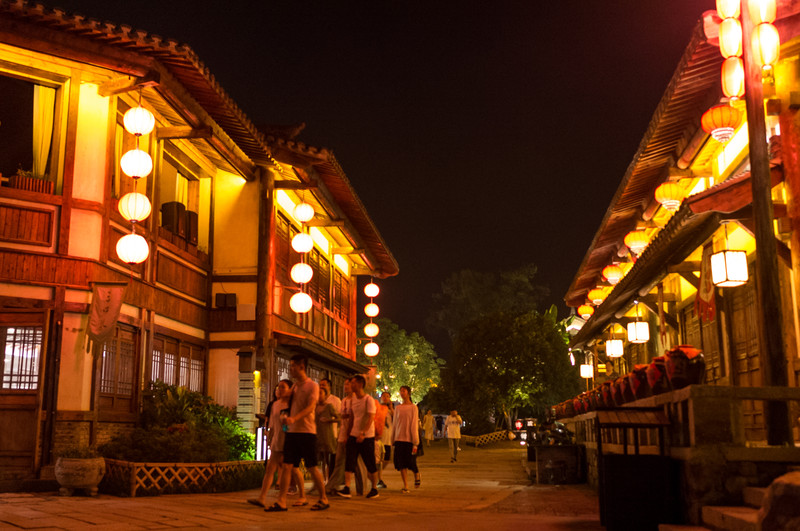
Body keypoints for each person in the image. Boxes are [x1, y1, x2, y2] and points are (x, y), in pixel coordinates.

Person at [267, 354, 330, 512]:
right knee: (287, 465)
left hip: (307, 432)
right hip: (292, 432)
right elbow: (287, 399)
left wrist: (294, 418)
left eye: (293, 366)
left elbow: (311, 407)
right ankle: (281, 501)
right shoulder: (295, 386)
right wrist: (282, 394)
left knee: (311, 466)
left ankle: (323, 498)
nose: (290, 369)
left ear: (302, 367)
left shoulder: (312, 386)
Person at [248, 380, 295, 507]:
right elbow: (272, 424)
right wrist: (270, 438)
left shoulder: (293, 404)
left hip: (289, 440)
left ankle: (290, 497)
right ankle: (262, 497)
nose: (280, 390)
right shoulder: (275, 404)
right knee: (270, 468)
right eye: (279, 387)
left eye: (283, 387)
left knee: (290, 469)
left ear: (290, 389)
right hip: (277, 440)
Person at [336, 374, 380, 499]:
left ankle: (374, 488)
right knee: (349, 461)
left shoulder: (368, 399)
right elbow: (352, 417)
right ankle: (347, 488)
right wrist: (348, 434)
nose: (351, 385)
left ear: (360, 384)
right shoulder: (353, 399)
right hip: (353, 435)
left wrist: (363, 433)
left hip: (367, 437)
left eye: (353, 383)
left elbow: (371, 417)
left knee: (370, 463)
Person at [391, 385, 420, 493]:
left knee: (411, 462)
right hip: (399, 438)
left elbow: (414, 424)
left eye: (404, 391)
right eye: (401, 391)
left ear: (408, 393)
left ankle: (416, 474)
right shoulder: (398, 408)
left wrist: (415, 441)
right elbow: (395, 424)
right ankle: (406, 485)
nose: (402, 393)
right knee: (401, 463)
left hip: (409, 439)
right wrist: (393, 438)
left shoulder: (413, 407)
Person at [325, 377, 350, 495]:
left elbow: (340, 418)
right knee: (332, 462)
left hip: (338, 434)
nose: (345, 387)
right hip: (336, 435)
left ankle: (365, 487)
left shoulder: (336, 400)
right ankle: (331, 484)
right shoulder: (344, 400)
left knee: (340, 461)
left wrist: (330, 420)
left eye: (348, 384)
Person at [315, 386, 339, 484]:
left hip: (328, 436)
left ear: (325, 396)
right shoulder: (314, 407)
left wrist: (329, 420)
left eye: (321, 393)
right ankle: (321, 480)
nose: (319, 395)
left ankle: (329, 481)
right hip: (317, 436)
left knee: (328, 460)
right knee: (319, 460)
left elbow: (339, 418)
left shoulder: (329, 406)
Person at [378, 391, 394, 489]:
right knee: (380, 459)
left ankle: (377, 474)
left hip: (388, 437)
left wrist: (391, 407)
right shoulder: (378, 408)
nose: (385, 398)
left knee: (387, 459)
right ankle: (379, 479)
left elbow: (396, 418)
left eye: (387, 396)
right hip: (380, 438)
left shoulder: (391, 410)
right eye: (384, 396)